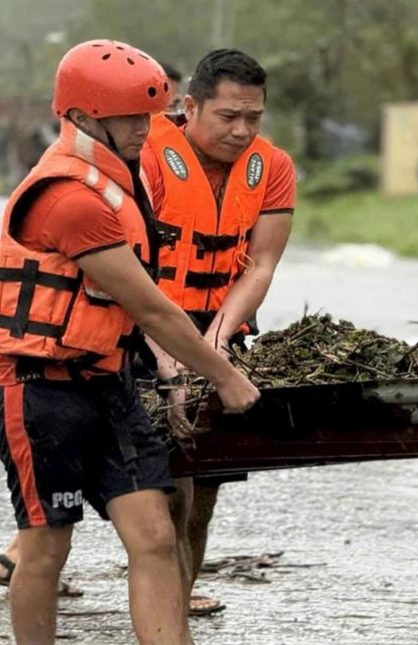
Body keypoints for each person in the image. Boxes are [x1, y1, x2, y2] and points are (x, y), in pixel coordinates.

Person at [0, 39, 260, 644]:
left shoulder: (120, 179)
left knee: (155, 535)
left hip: (106, 383)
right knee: (46, 544)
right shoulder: (69, 198)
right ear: (85, 118)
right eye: (131, 118)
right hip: (38, 389)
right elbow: (147, 303)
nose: (147, 131)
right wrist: (223, 375)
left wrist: (169, 374)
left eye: (150, 115)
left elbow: (131, 314)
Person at [140, 48, 296, 617]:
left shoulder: (272, 165)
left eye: (253, 117)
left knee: (204, 486)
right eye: (228, 116)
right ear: (191, 106)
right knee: (166, 486)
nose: (241, 130)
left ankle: (177, 597)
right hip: (142, 324)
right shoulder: (148, 154)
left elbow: (260, 267)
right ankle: (165, 607)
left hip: (216, 328)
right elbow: (128, 269)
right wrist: (171, 355)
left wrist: (216, 348)